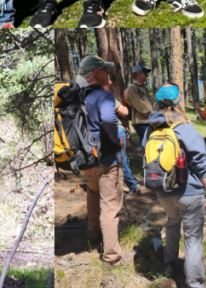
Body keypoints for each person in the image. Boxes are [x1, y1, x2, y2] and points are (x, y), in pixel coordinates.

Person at [145, 84, 206, 286]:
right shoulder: (185, 128)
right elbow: (200, 164)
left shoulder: (153, 128)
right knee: (192, 237)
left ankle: (169, 263)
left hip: (163, 190)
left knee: (172, 222)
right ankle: (194, 283)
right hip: (189, 191)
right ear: (178, 101)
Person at [80, 55, 124, 269]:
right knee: (109, 206)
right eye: (105, 70)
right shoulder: (103, 96)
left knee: (93, 194)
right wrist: (117, 140)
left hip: (85, 158)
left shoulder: (78, 96)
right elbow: (108, 119)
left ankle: (92, 234)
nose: (109, 73)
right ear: (96, 73)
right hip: (106, 158)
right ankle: (112, 257)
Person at [125, 64, 155, 146]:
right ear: (138, 74)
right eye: (145, 73)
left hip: (148, 120)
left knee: (151, 144)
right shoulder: (132, 87)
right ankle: (147, 159)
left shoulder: (143, 88)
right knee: (147, 144)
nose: (147, 75)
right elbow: (138, 104)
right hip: (141, 122)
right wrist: (151, 114)